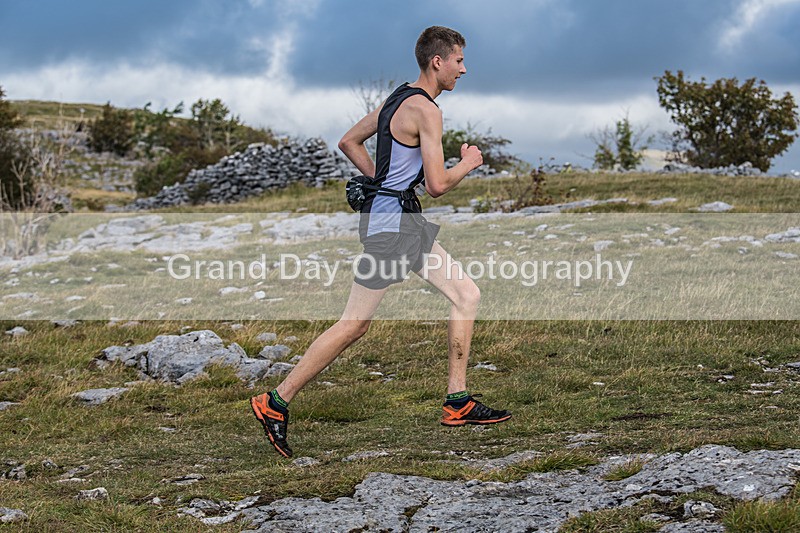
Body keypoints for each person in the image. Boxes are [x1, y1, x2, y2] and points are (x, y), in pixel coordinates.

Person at [250, 26, 511, 458]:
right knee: (355, 324)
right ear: (438, 62)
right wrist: (468, 162)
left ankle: (457, 401)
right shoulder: (426, 110)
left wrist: (380, 183)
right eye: (460, 61)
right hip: (393, 226)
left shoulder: (396, 98)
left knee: (466, 293)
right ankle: (275, 402)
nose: (465, 69)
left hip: (398, 220)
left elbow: (347, 141)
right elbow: (437, 184)